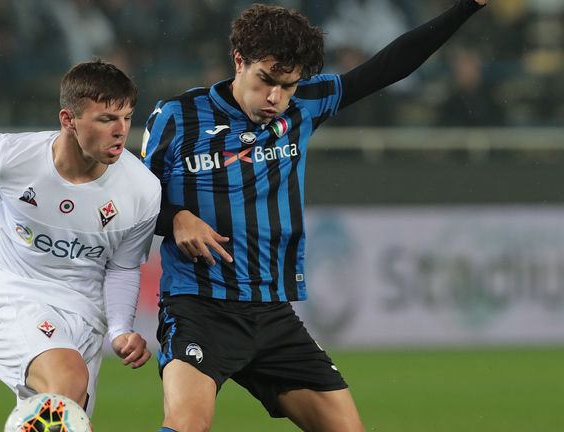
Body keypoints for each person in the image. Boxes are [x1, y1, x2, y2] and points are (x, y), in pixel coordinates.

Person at [141, 1, 490, 431]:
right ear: (239, 61)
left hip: (272, 313)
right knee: (186, 424)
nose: (275, 98)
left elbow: (391, 65)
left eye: (287, 86)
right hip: (200, 307)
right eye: (266, 80)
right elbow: (135, 198)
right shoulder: (177, 116)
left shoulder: (305, 104)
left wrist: (466, 7)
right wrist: (174, 216)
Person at [0, 60, 159, 418]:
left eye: (127, 118)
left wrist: (119, 329)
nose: (121, 131)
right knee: (67, 381)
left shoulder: (143, 189)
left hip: (86, 316)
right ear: (68, 119)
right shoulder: (14, 156)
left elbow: (123, 266)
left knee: (67, 416)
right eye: (105, 119)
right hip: (18, 297)